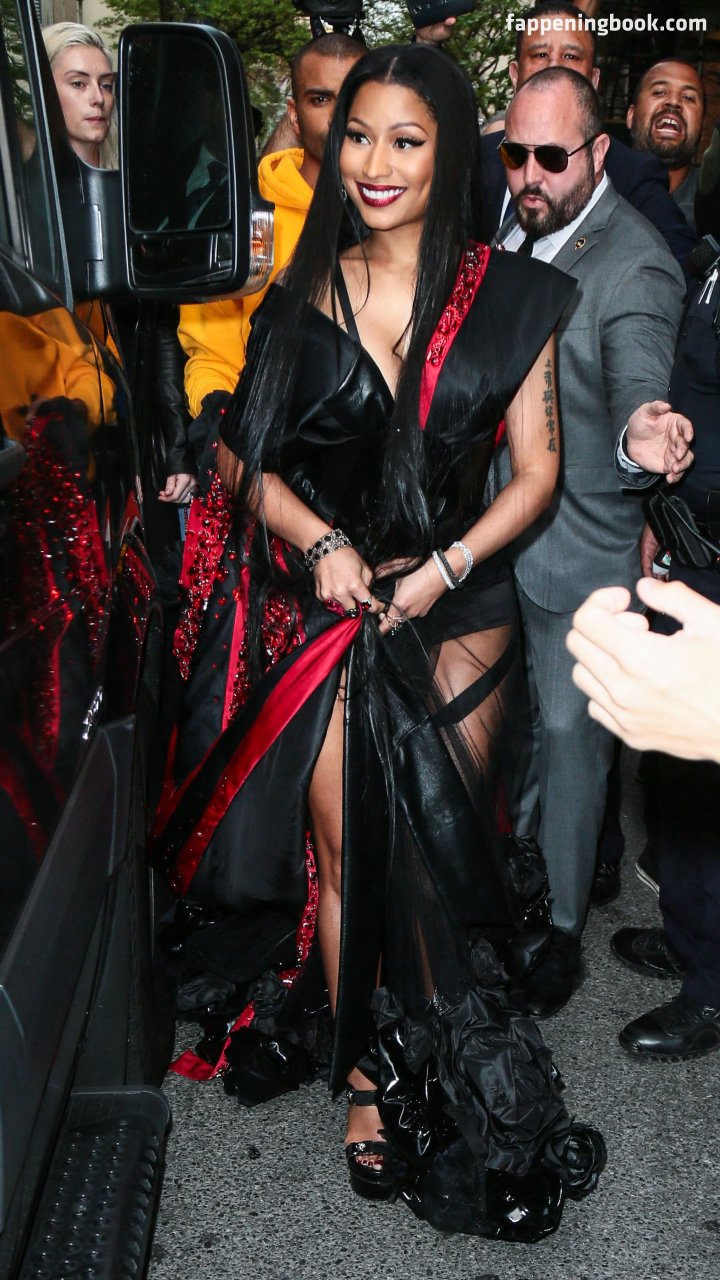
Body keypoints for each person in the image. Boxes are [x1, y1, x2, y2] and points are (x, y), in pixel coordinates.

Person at [154, 43, 606, 1240]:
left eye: (406, 139)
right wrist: (321, 545)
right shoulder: (305, 289)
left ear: (450, 151)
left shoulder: (513, 295)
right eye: (358, 134)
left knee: (439, 857)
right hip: (338, 604)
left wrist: (446, 565)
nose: (375, 161)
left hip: (461, 601)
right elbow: (240, 457)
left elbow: (540, 470)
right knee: (349, 847)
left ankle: (439, 1046)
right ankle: (367, 1071)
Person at [494, 66, 690, 1019]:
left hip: (581, 554)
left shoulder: (635, 264)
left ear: (599, 152)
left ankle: (559, 933)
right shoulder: (513, 221)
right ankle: (513, 892)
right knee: (519, 740)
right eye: (515, 154)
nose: (530, 174)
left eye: (551, 156)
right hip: (498, 534)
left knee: (571, 749)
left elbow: (637, 386)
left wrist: (641, 434)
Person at [42, 21, 196, 513]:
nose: (98, 98)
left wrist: (176, 447)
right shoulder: (27, 207)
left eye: (106, 85)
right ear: (44, 92)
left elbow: (162, 325)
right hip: (62, 447)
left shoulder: (134, 198)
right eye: (78, 83)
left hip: (136, 438)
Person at [178, 33, 365, 421]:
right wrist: (226, 428)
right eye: (321, 99)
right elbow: (212, 359)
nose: (338, 115)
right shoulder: (240, 217)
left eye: (353, 97)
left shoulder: (401, 215)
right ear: (294, 115)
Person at [479, 2, 696, 267]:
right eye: (540, 55)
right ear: (515, 75)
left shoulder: (632, 176)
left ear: (594, 80)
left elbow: (679, 266)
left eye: (571, 56)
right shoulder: (475, 158)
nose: (555, 66)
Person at [627, 59, 705, 236]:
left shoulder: (712, 206)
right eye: (660, 92)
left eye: (688, 97)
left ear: (702, 126)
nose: (674, 102)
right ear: (631, 115)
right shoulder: (595, 191)